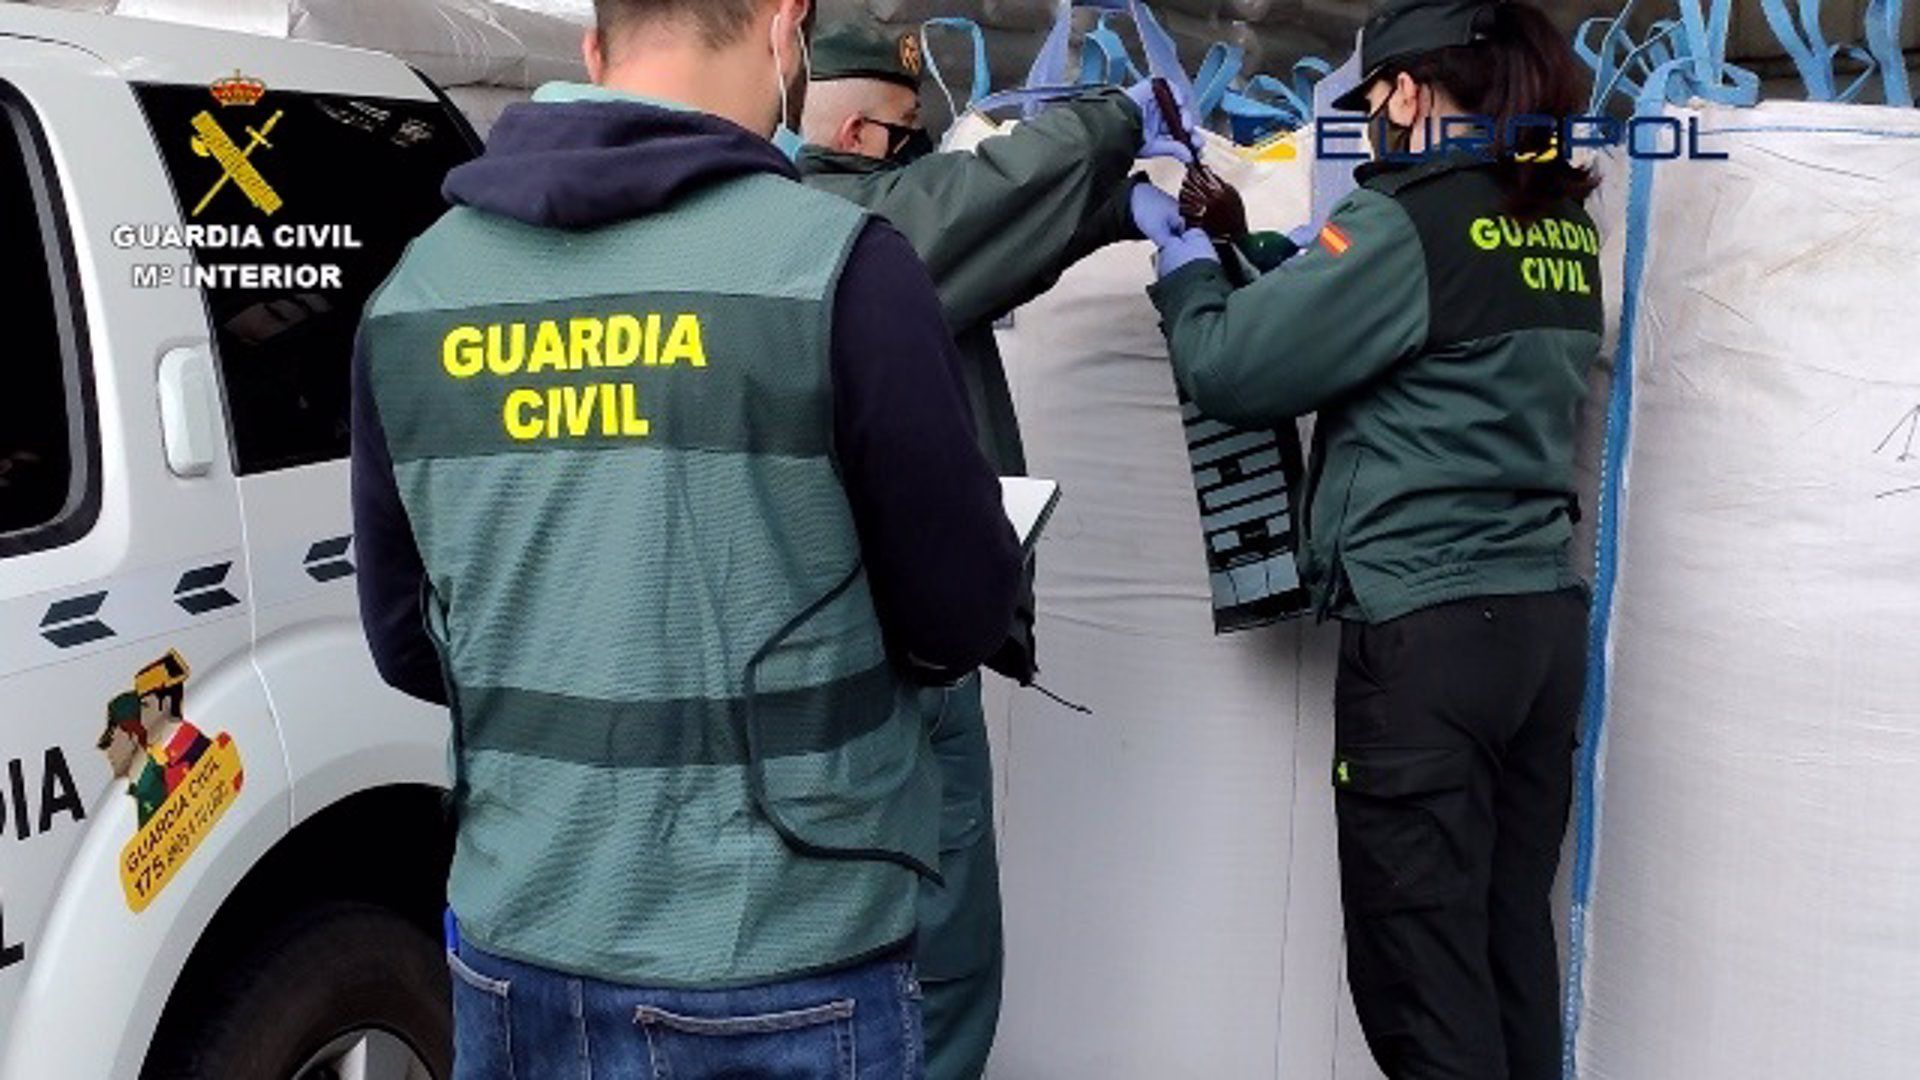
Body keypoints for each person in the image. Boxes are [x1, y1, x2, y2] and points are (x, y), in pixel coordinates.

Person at [350, 0, 1023, 1076]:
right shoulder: (840, 269)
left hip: (517, 936)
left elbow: (404, 640)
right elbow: (960, 614)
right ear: (783, 25)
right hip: (784, 950)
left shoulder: (415, 292)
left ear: (594, 51)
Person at [1134, 1, 1605, 1076]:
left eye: (1379, 103)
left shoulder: (1407, 221)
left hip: (1429, 638)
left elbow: (1239, 372)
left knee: (1421, 989)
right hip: (1534, 631)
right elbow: (1406, 337)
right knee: (1501, 953)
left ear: (1406, 90)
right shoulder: (1556, 221)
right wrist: (1249, 244)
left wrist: (1188, 277)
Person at [794, 19, 1191, 1078]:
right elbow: (948, 223)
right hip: (869, 659)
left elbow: (982, 247)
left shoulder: (880, 220)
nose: (924, 156)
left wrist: (1113, 210)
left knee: (958, 947)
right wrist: (1115, 122)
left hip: (927, 653)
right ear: (864, 134)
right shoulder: (825, 223)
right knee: (915, 957)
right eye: (911, 138)